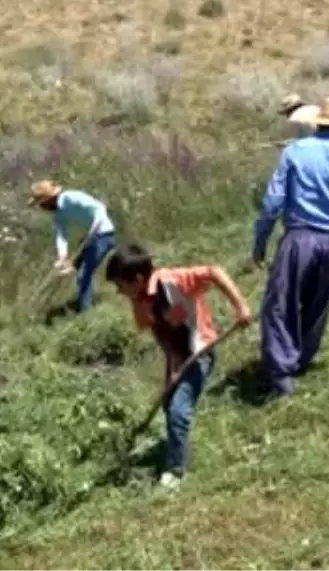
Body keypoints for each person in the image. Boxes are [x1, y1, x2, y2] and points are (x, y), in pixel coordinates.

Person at [252, 97, 329, 400]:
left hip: (300, 238)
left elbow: (272, 202)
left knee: (280, 305)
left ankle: (282, 373)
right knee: (317, 306)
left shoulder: (295, 151)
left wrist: (260, 240)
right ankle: (297, 361)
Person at [104, 243, 253, 489]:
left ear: (138, 278)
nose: (119, 291)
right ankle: (174, 445)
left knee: (177, 411)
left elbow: (214, 272)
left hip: (199, 353)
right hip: (177, 355)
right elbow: (159, 332)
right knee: (168, 404)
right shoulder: (140, 299)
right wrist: (173, 366)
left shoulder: (173, 281)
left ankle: (176, 471)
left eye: (121, 285)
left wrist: (241, 306)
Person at [29, 180, 117, 314]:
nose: (42, 208)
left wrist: (93, 230)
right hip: (90, 238)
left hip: (104, 234)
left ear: (50, 199)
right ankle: (83, 303)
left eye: (42, 204)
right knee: (72, 267)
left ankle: (87, 313)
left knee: (83, 275)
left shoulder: (72, 197)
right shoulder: (59, 214)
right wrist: (62, 257)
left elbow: (99, 208)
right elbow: (61, 235)